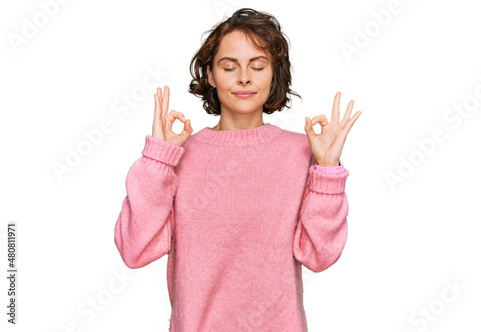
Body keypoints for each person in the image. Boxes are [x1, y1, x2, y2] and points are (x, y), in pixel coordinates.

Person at [114, 7, 361, 331]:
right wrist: (158, 159)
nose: (244, 77)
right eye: (229, 66)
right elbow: (135, 250)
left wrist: (327, 169)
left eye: (257, 66)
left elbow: (319, 256)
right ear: (211, 75)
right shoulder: (178, 156)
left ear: (274, 73)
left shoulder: (302, 152)